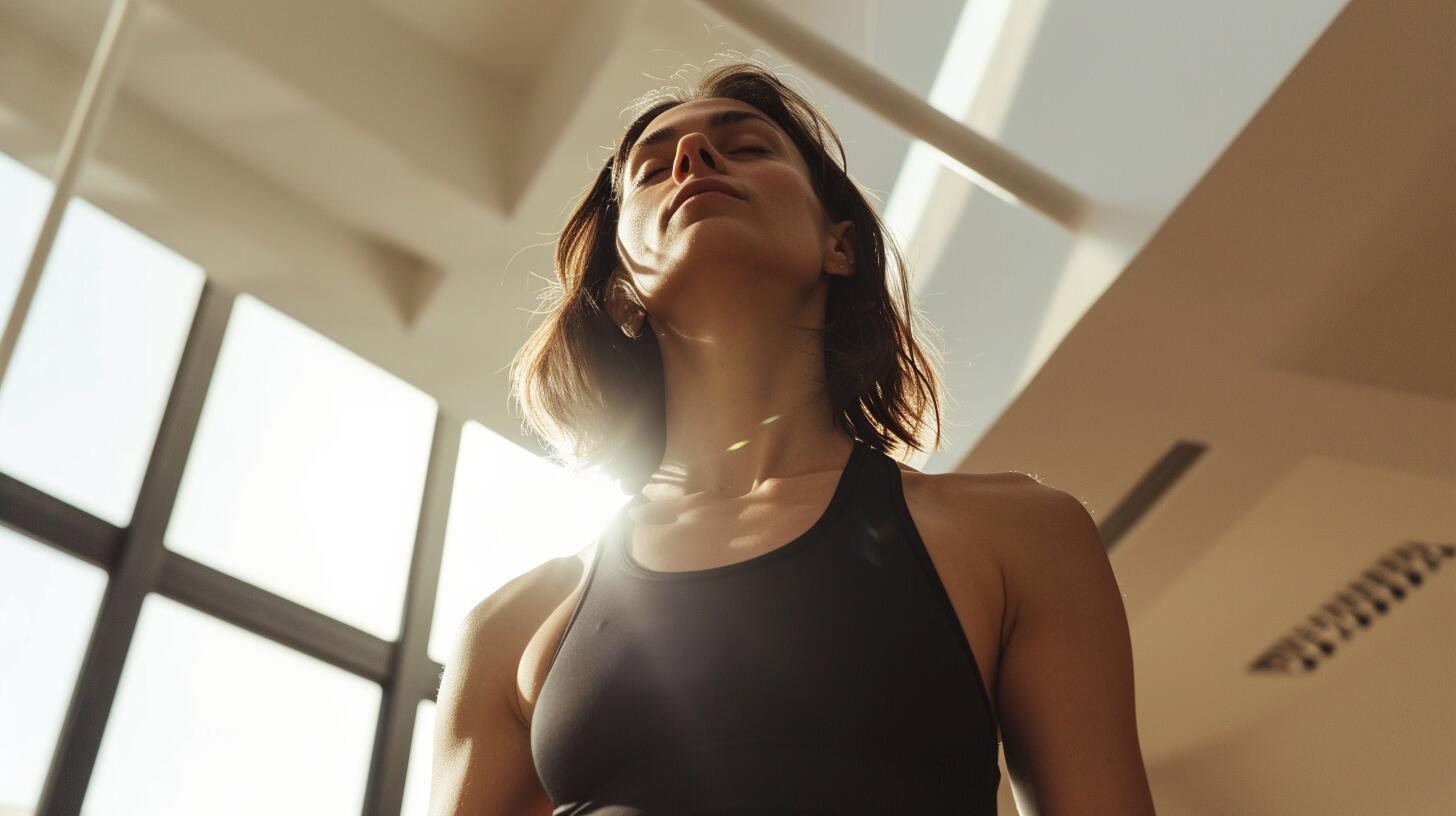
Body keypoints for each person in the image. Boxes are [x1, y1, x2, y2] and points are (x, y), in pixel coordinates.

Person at [429, 59, 1156, 816]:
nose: (692, 159)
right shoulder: (512, 628)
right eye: (651, 168)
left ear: (838, 245)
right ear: (623, 294)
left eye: (747, 146)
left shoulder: (1019, 536)